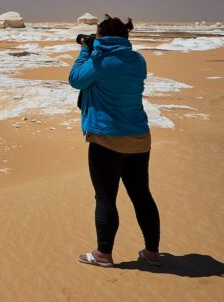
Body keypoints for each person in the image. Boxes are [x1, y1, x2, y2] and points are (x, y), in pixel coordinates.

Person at [69, 15, 162, 267]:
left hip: (106, 140)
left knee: (106, 197)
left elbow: (76, 79)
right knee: (142, 195)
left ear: (101, 36)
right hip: (139, 139)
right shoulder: (138, 60)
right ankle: (152, 253)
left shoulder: (99, 61)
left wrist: (85, 51)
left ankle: (103, 254)